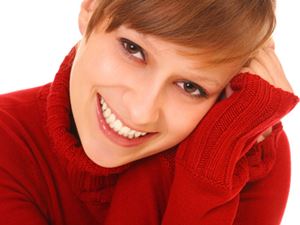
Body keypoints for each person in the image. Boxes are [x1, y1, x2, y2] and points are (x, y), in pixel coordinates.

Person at [0, 0, 298, 224]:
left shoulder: (243, 158)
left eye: (190, 86)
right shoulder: (7, 140)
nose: (141, 112)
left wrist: (207, 167)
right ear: (91, 7)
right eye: (132, 49)